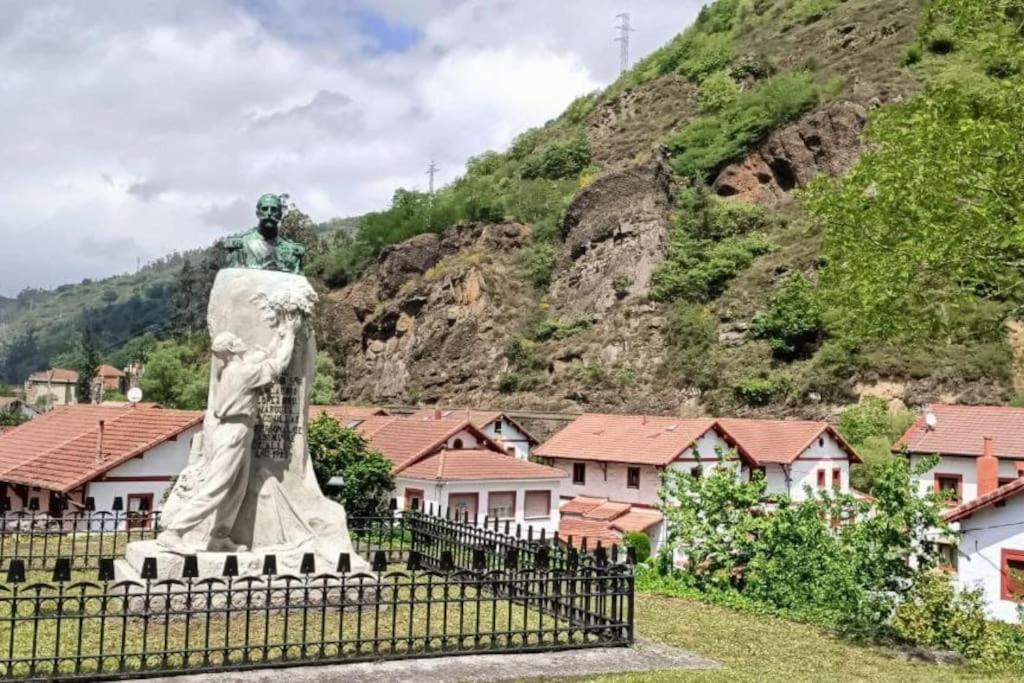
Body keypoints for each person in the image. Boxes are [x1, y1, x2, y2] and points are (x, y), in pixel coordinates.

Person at [156, 311, 302, 553]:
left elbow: (262, 356)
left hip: (239, 431)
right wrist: (291, 336)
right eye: (236, 340)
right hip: (233, 432)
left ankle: (219, 536)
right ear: (232, 348)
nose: (241, 340)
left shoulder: (233, 370)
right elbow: (278, 365)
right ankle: (175, 532)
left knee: (237, 489)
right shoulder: (242, 373)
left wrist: (280, 333)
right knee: (217, 487)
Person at [223, 193, 305, 274]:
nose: (269, 213)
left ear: (280, 215)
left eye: (273, 209)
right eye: (265, 209)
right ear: (258, 213)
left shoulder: (292, 251)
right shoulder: (241, 246)